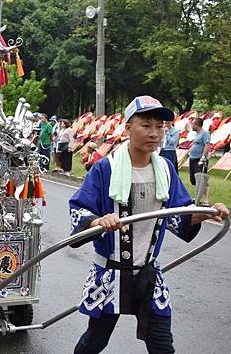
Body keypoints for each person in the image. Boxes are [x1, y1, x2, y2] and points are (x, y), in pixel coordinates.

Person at [69, 95, 228, 354]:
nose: (154, 133)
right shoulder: (105, 169)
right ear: (128, 127)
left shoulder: (165, 168)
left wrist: (206, 213)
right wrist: (99, 221)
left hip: (148, 274)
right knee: (94, 342)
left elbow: (179, 215)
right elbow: (79, 209)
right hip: (111, 274)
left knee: (162, 346)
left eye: (160, 127)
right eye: (146, 125)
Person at [188, 117, 210, 205]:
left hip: (199, 159)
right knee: (194, 179)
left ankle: (206, 199)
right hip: (192, 158)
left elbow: (207, 145)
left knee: (202, 179)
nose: (191, 126)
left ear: (197, 125)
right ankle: (198, 196)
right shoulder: (197, 134)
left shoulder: (205, 133)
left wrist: (203, 157)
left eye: (193, 124)